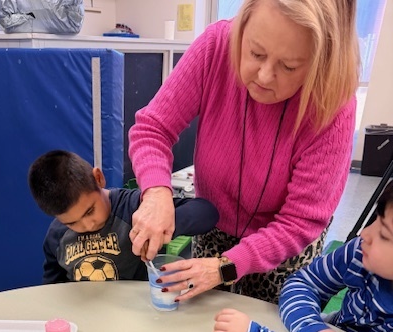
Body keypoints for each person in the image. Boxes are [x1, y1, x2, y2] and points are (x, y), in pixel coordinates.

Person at [128, 0, 359, 305]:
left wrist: (226, 267)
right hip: (214, 228)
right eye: (255, 53)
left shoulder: (333, 104)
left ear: (320, 61)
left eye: (289, 66)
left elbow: (299, 222)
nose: (264, 76)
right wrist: (157, 193)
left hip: (283, 251)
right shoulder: (215, 47)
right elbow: (152, 129)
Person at [212, 182, 393, 332]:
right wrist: (312, 327)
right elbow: (303, 283)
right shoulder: (359, 252)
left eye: (384, 235)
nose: (365, 235)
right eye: (376, 219)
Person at [27, 150, 219, 284]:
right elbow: (53, 286)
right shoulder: (56, 235)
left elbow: (207, 213)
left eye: (89, 211)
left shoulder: (135, 206)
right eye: (71, 222)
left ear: (98, 178)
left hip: (136, 317)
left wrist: (158, 226)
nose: (87, 224)